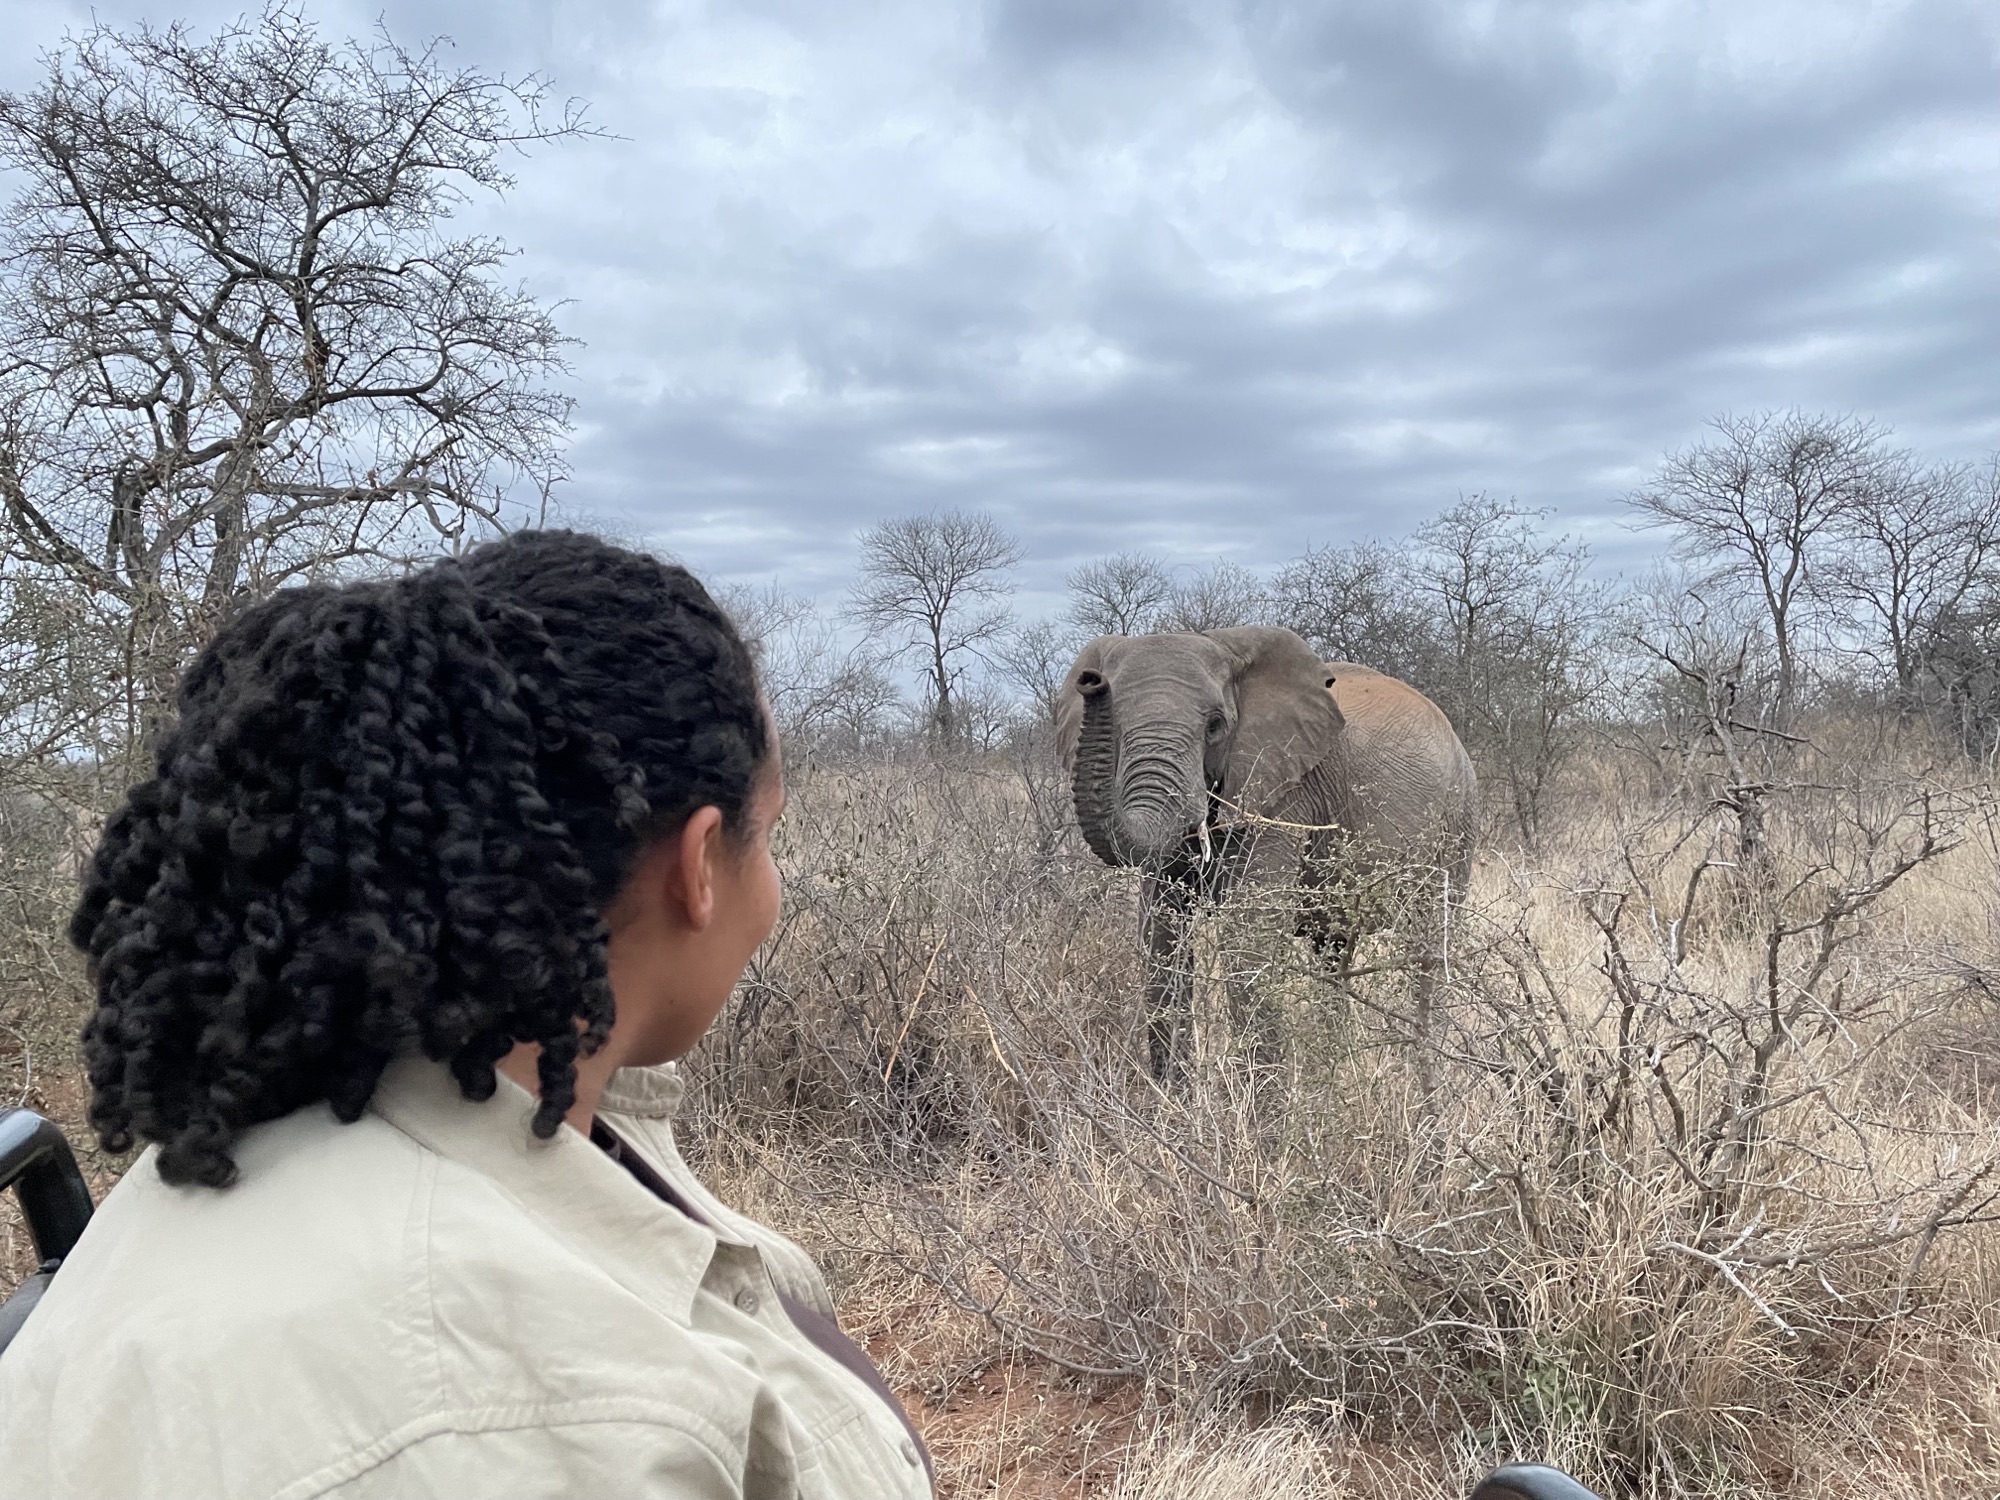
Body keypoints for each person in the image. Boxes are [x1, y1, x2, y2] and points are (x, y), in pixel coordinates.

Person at [0, 531, 932, 1499]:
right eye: (767, 835)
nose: (771, 886)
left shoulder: (332, 1123)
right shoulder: (524, 1416)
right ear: (698, 866)